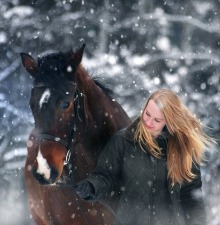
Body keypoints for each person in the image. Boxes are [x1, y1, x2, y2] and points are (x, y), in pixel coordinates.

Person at [74, 89, 214, 225]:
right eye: (147, 114)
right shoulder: (123, 140)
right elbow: (105, 175)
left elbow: (192, 197)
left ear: (170, 122)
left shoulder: (182, 149)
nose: (148, 122)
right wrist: (91, 186)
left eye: (157, 120)